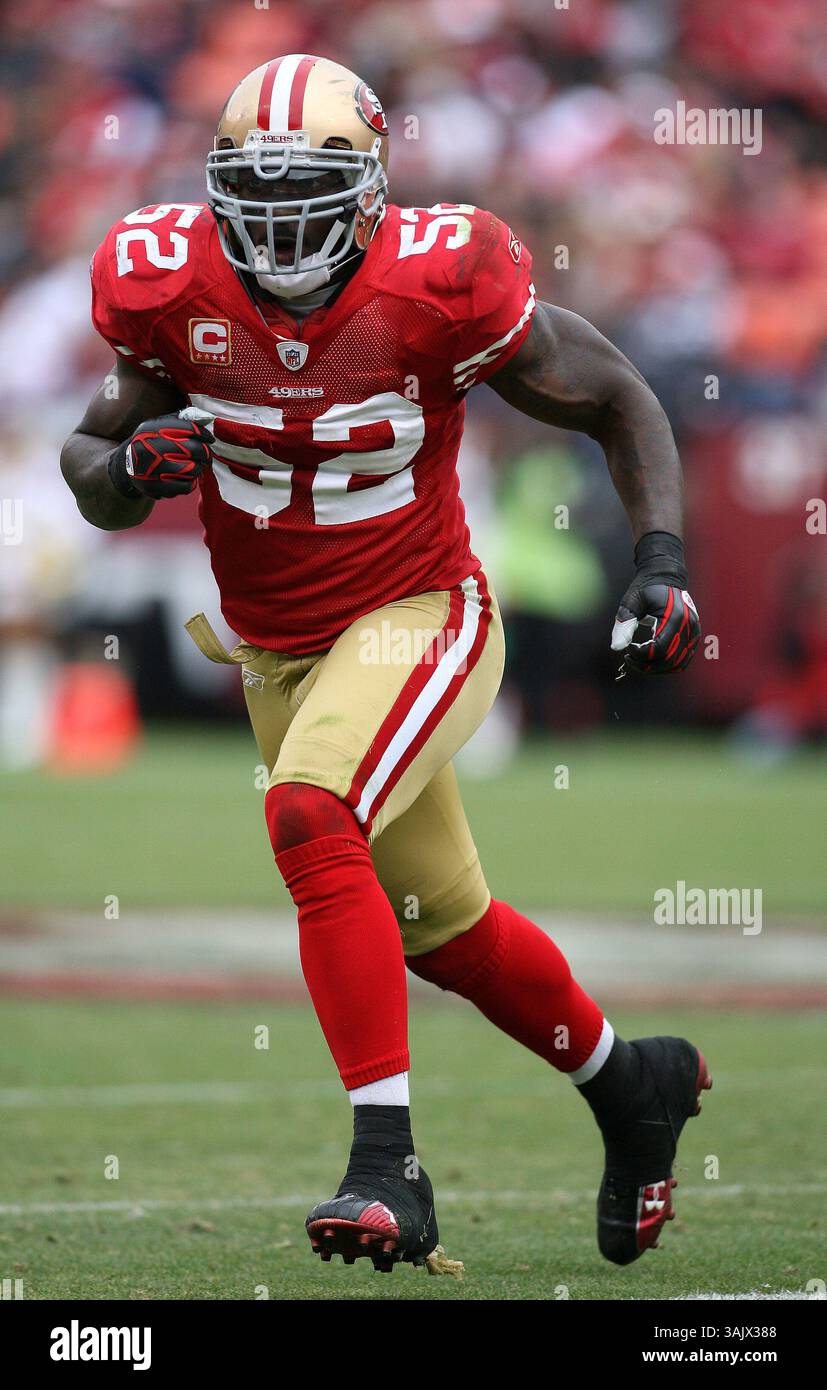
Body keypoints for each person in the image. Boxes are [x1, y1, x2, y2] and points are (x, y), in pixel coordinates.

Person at [61, 54, 707, 1275]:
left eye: (303, 191)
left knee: (310, 813)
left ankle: (386, 1168)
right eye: (254, 191)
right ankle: (634, 1084)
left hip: (420, 612)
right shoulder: (164, 278)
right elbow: (89, 456)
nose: (275, 221)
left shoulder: (443, 277)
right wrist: (129, 470)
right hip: (278, 649)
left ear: (367, 190)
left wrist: (661, 559)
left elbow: (614, 394)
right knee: (442, 929)